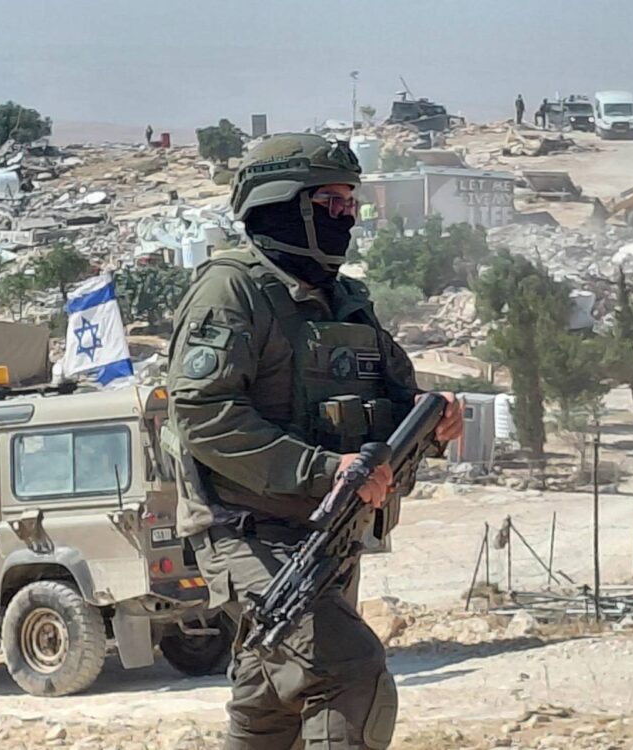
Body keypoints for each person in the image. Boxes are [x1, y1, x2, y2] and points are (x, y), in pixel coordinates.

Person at [167, 133, 463, 750]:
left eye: (352, 203)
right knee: (347, 669)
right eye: (332, 203)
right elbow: (202, 412)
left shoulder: (345, 300)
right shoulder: (233, 291)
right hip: (250, 531)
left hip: (330, 535)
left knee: (271, 707)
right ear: (284, 205)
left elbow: (392, 401)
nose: (347, 217)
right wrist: (323, 469)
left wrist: (431, 425)